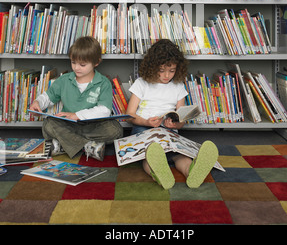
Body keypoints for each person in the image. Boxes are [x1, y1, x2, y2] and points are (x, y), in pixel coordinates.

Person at [127, 38, 219, 189]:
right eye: (161, 70)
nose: (166, 76)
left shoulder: (178, 86)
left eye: (172, 71)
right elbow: (130, 114)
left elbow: (181, 118)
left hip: (168, 130)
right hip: (144, 129)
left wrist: (176, 123)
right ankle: (160, 174)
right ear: (152, 67)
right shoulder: (142, 83)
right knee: (150, 155)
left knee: (180, 155)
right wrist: (146, 122)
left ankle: (192, 173)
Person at [30, 36, 123, 160]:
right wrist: (38, 103)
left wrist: (76, 115)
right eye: (73, 62)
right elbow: (48, 96)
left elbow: (104, 110)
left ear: (96, 62)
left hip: (94, 127)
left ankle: (64, 144)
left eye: (82, 64)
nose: (76, 68)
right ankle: (88, 146)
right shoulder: (64, 80)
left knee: (115, 130)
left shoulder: (103, 82)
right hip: (69, 125)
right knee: (48, 124)